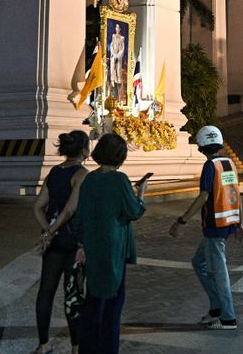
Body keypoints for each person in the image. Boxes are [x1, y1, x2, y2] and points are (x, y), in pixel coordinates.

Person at [52, 133, 151, 353]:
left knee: (93, 301)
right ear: (120, 156)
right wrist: (141, 193)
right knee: (112, 307)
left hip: (92, 247)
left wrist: (82, 244)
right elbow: (134, 211)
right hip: (113, 248)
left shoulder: (89, 179)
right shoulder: (119, 180)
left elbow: (78, 218)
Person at [170, 125, 243, 330]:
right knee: (199, 263)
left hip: (215, 227)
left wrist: (181, 220)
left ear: (201, 145)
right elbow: (236, 193)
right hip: (227, 224)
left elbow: (204, 197)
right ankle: (215, 308)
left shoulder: (210, 166)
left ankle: (228, 318)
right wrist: (240, 223)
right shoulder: (228, 162)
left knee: (219, 273)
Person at [32, 130, 91, 354]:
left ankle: (43, 343)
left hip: (54, 243)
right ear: (85, 150)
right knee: (73, 292)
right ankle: (76, 346)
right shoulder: (82, 174)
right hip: (74, 241)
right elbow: (70, 210)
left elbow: (37, 207)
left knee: (45, 291)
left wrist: (48, 231)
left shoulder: (54, 172)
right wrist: (52, 231)